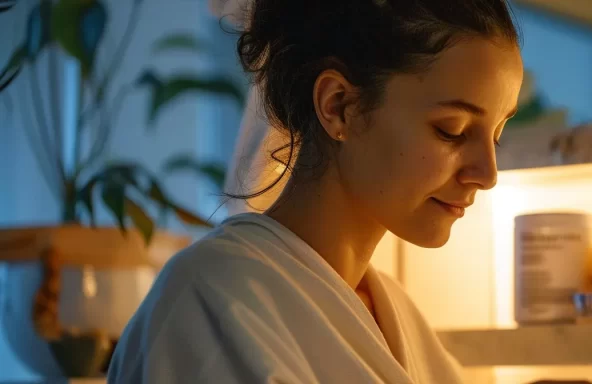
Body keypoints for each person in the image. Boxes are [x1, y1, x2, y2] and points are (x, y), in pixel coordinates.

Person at [106, 0, 523, 382]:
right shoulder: (214, 301)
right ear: (338, 105)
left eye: (497, 135)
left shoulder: (400, 319)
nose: (487, 174)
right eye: (452, 130)